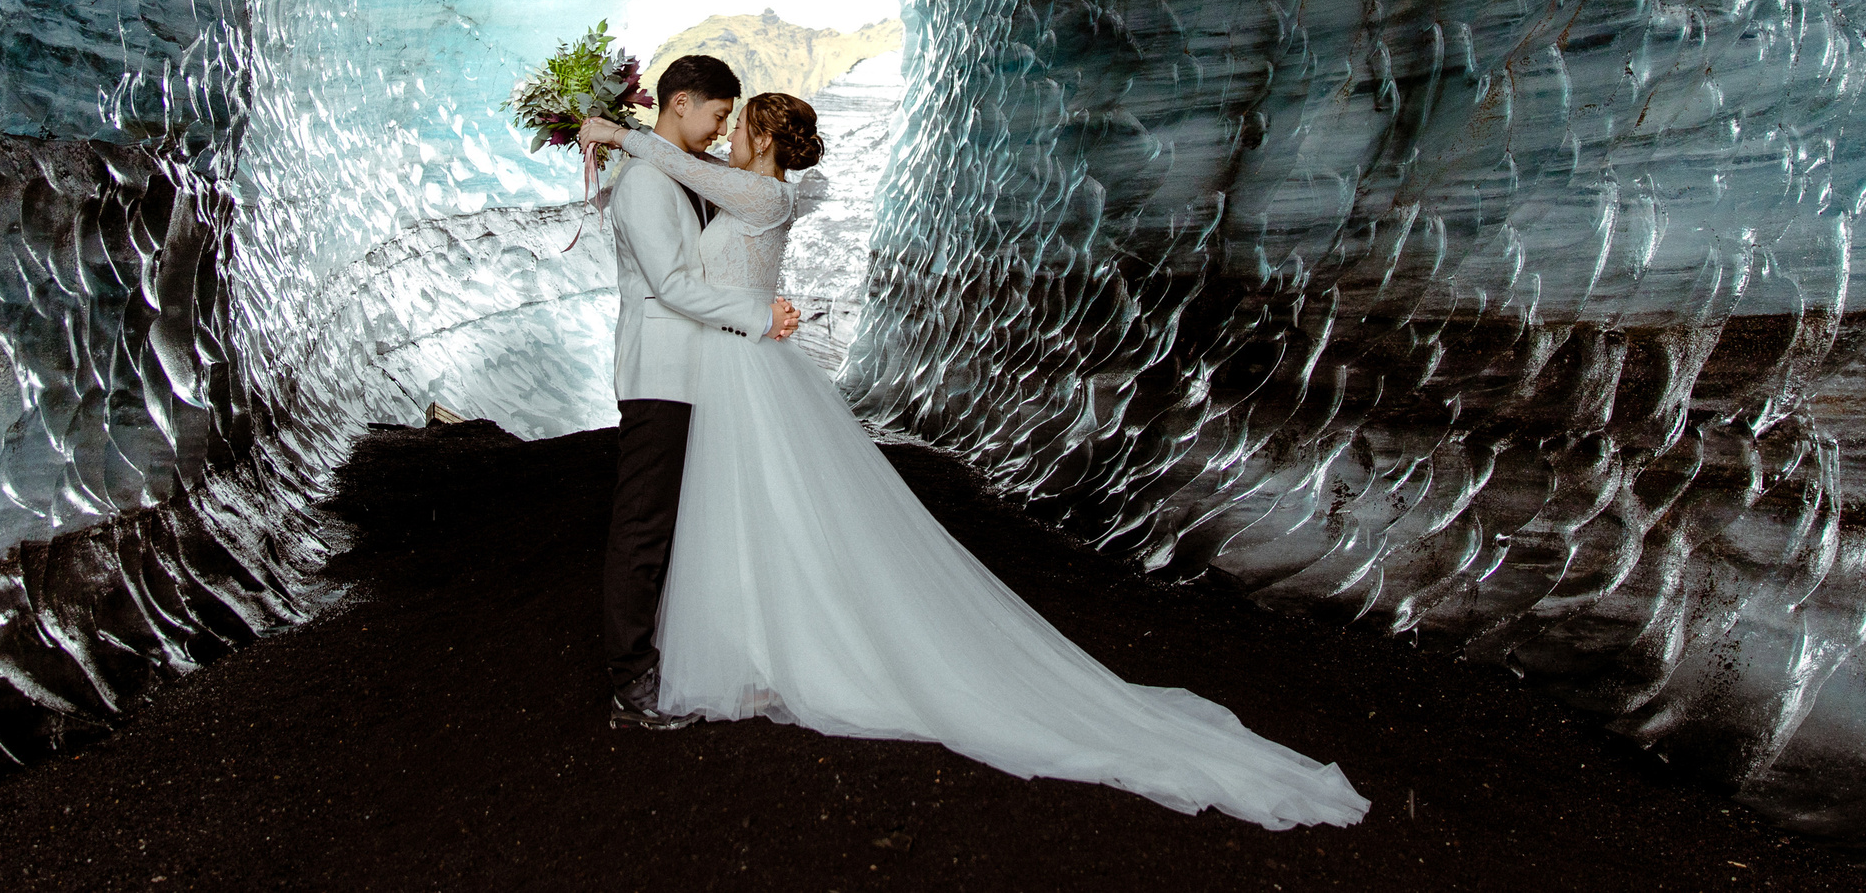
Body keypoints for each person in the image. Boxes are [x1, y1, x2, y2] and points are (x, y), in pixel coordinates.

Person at [577, 94, 1369, 829]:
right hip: (733, 366)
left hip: (745, 368)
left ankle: (784, 651)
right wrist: (628, 143)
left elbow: (688, 168)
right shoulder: (751, 187)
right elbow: (697, 173)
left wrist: (621, 134)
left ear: (759, 138)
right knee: (742, 510)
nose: (728, 133)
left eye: (738, 122)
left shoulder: (766, 195)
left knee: (765, 508)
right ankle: (755, 648)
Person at [599, 53, 800, 729]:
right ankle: (632, 683)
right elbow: (672, 286)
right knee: (644, 527)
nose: (721, 131)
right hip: (660, 371)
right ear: (680, 102)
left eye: (731, 121)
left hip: (697, 372)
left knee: (690, 525)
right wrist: (759, 315)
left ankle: (696, 664)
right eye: (718, 115)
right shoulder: (645, 185)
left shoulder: (684, 175)